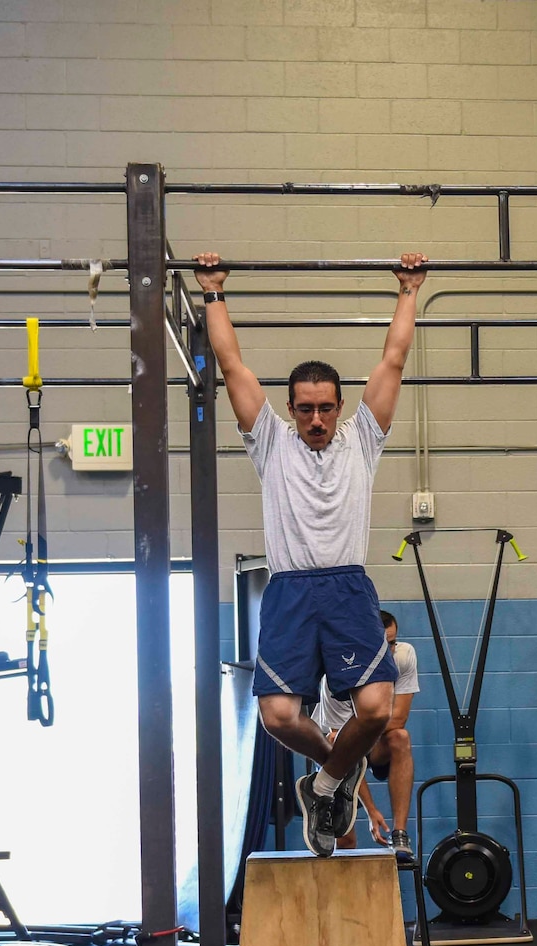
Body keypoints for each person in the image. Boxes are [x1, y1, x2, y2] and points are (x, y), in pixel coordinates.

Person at [196, 248, 428, 857]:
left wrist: (409, 290)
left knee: (377, 711)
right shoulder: (271, 441)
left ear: (340, 407)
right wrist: (214, 290)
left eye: (327, 407)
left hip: (348, 588)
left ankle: (324, 784)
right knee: (277, 716)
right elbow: (230, 363)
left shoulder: (363, 440)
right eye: (306, 408)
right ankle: (335, 779)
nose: (318, 418)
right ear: (291, 408)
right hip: (292, 589)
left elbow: (394, 359)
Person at [318, 610, 420, 867]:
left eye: (393, 643)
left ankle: (399, 834)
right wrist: (372, 811)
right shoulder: (338, 676)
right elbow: (343, 748)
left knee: (400, 737)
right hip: (338, 748)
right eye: (383, 646)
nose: (390, 651)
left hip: (372, 739)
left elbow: (398, 720)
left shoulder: (404, 656)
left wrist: (370, 726)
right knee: (346, 840)